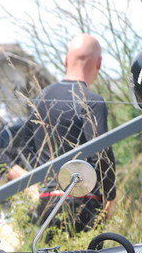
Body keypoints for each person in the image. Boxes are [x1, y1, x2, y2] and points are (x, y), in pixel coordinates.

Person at [13, 33, 116, 233]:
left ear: (65, 60)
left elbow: (22, 146)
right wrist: (110, 195)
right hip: (84, 199)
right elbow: (102, 154)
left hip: (47, 199)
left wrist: (39, 181)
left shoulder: (41, 98)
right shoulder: (92, 101)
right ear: (99, 63)